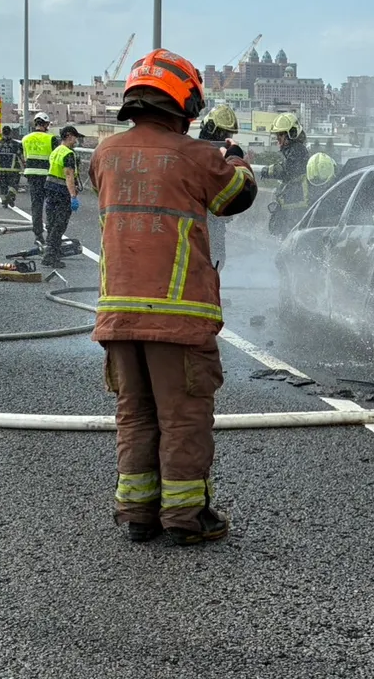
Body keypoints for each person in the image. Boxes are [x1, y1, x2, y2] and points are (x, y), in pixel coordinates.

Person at [92, 48, 257, 546]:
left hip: (117, 313)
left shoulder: (103, 153)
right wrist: (233, 158)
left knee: (135, 413)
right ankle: (186, 517)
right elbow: (237, 197)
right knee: (182, 416)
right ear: (183, 103)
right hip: (178, 316)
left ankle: (137, 512)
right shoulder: (197, 157)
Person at [197, 105, 242, 269]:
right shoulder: (196, 153)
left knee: (217, 259)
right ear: (211, 129)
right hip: (197, 220)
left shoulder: (221, 156)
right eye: (223, 134)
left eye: (229, 135)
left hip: (215, 221)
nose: (227, 138)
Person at [260, 112, 311, 236]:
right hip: (292, 201)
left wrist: (268, 171)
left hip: (297, 202)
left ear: (291, 134)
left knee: (290, 235)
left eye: (281, 134)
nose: (278, 138)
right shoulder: (293, 150)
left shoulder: (297, 150)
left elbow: (287, 170)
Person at [42, 125, 82, 268]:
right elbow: (69, 175)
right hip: (61, 192)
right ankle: (50, 255)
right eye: (75, 137)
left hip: (50, 188)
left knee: (52, 223)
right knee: (59, 224)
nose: (76, 141)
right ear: (69, 136)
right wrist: (73, 196)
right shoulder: (68, 154)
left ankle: (51, 251)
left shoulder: (56, 151)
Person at [21, 112, 54, 245]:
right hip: (47, 175)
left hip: (32, 175)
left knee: (36, 205)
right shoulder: (51, 139)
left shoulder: (25, 139)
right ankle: (51, 232)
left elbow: (24, 157)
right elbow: (55, 157)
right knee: (51, 205)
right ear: (46, 124)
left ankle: (38, 234)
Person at [0, 126, 24, 207]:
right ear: (11, 133)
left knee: (3, 185)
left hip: (1, 169)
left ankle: (4, 201)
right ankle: (10, 195)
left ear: (2, 133)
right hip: (14, 170)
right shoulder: (16, 144)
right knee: (14, 185)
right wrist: (25, 166)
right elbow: (22, 156)